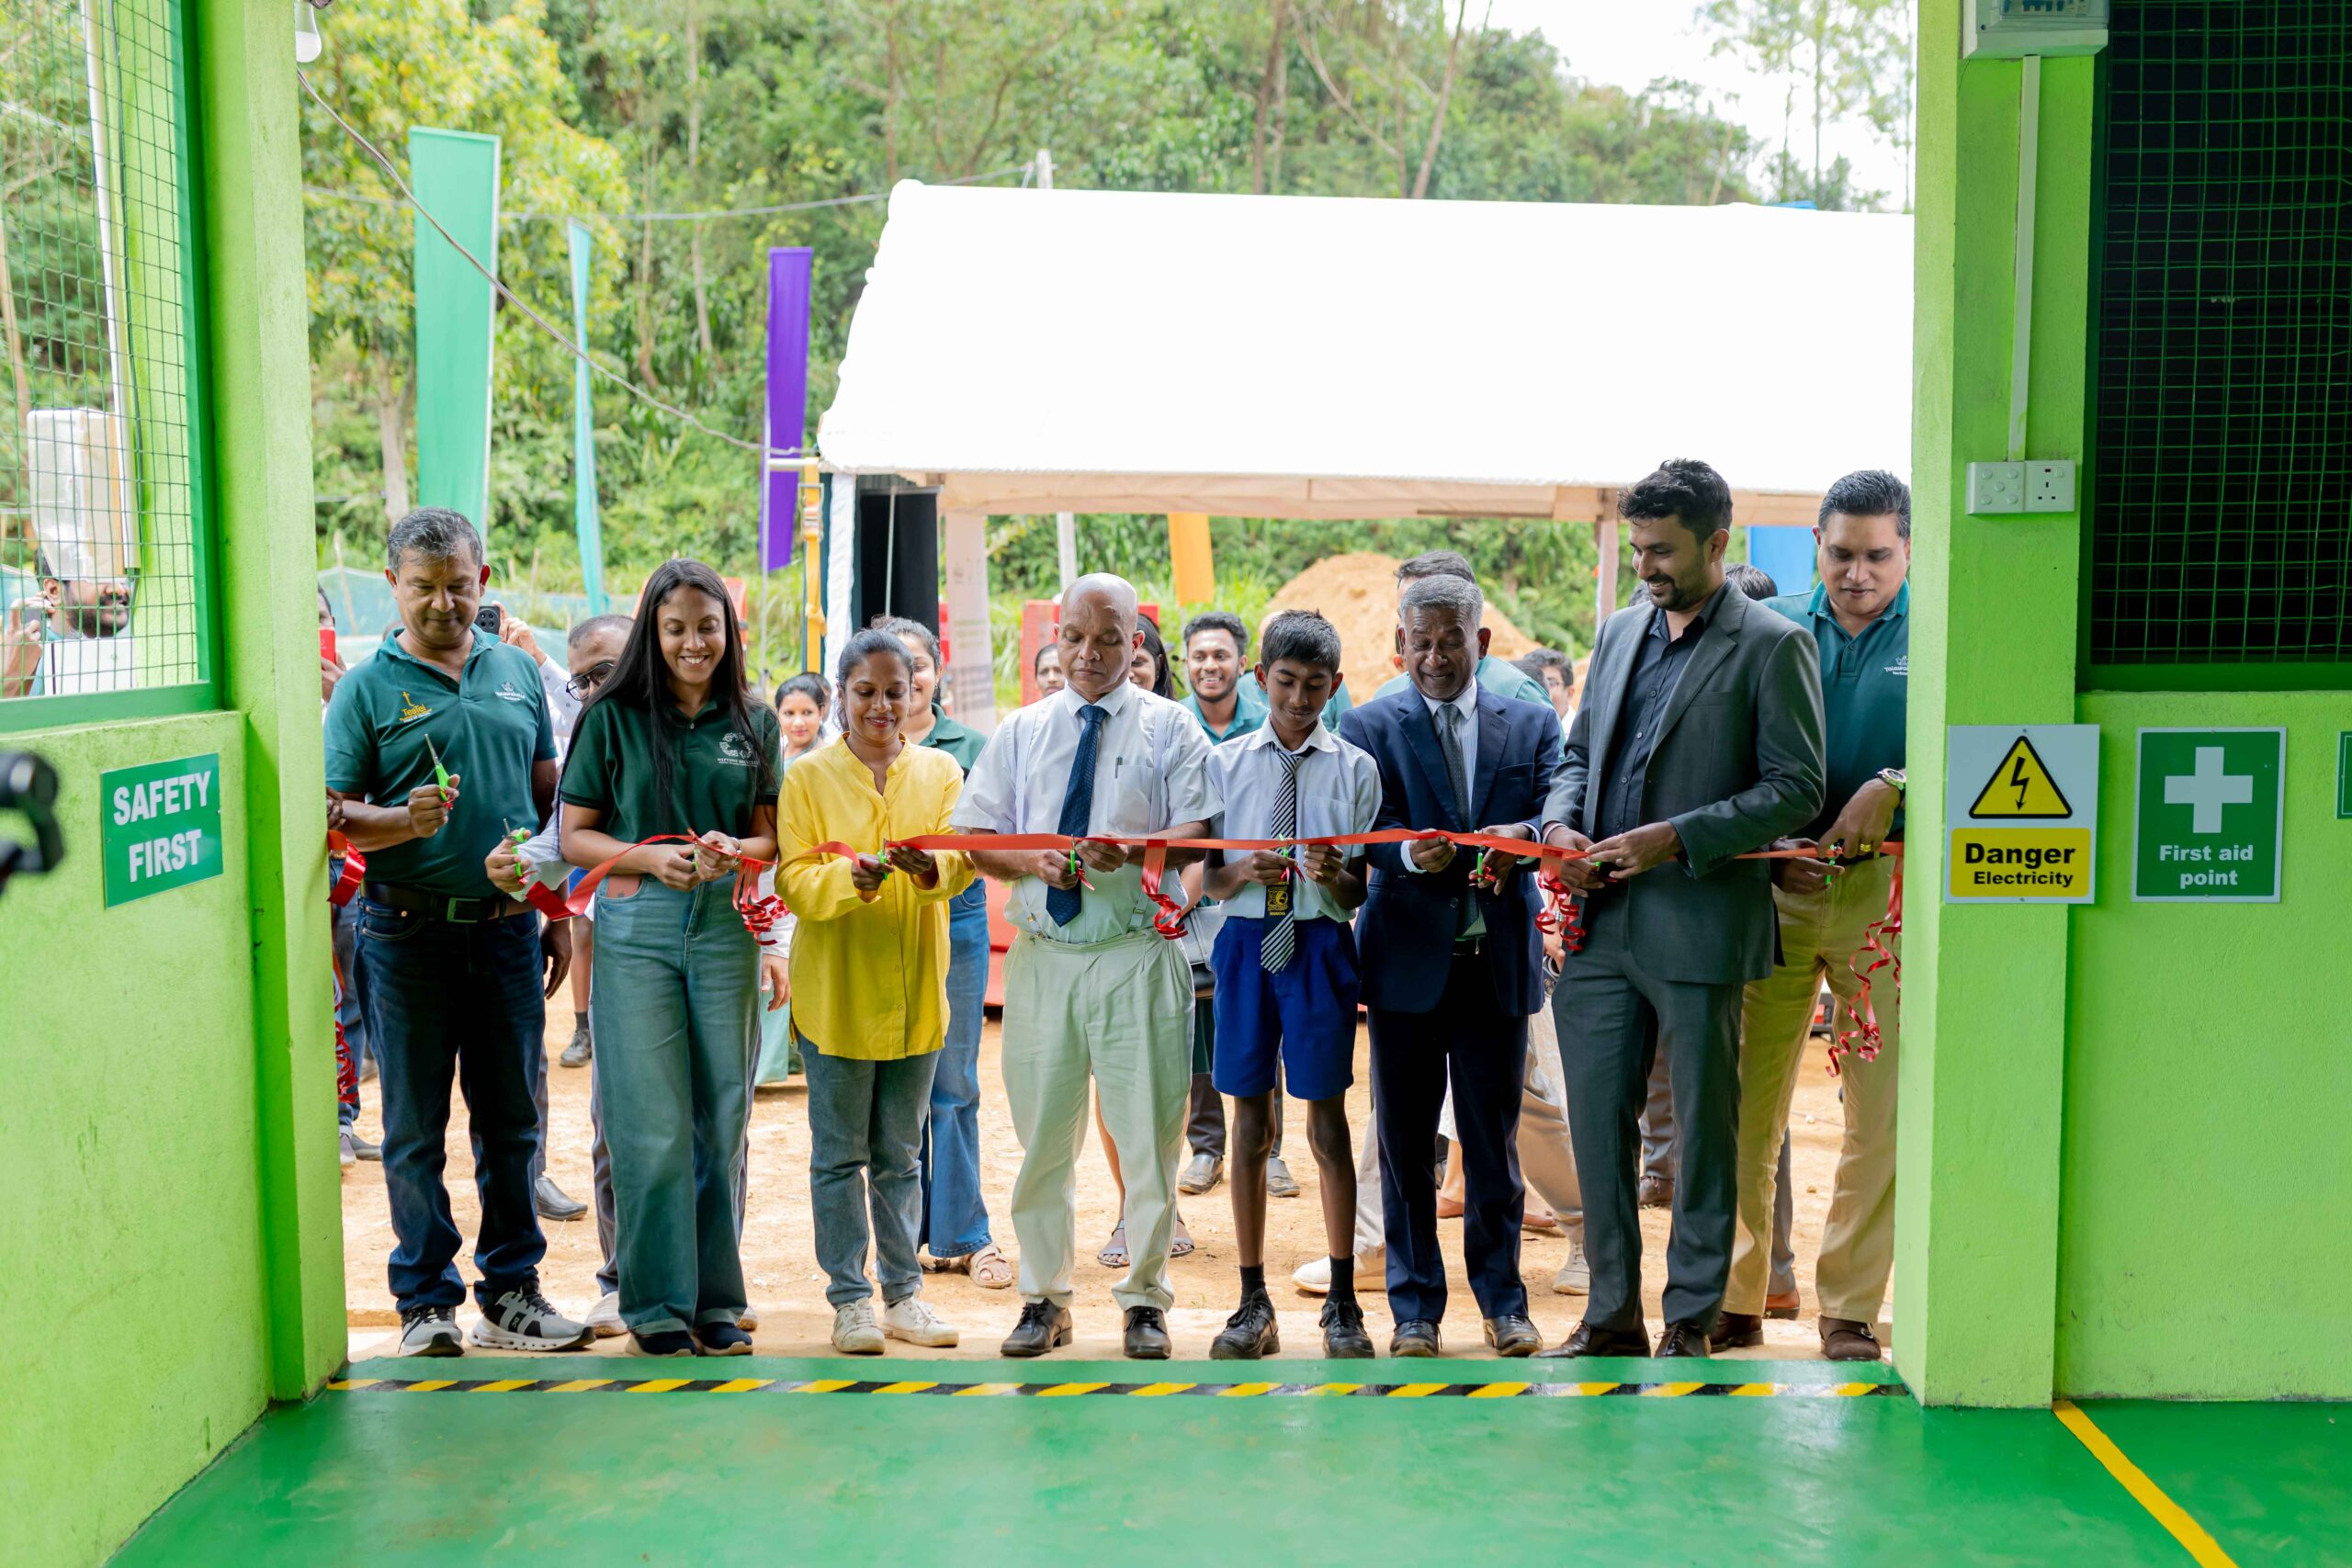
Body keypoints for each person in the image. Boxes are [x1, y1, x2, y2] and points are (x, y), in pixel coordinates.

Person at [1537, 459, 1825, 1360]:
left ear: (1715, 542)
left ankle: (1691, 1319)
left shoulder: (1774, 645)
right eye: (1638, 549)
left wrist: (1676, 837)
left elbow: (1796, 787)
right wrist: (1559, 825)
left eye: (1662, 550)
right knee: (1597, 1129)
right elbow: (1577, 756)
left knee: (1705, 1136)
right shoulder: (1619, 631)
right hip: (1599, 929)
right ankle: (1610, 1315)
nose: (1646, 567)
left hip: (1702, 924)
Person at [322, 507, 586, 1358]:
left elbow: (548, 798)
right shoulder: (365, 688)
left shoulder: (516, 671)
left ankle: (511, 1293)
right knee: (413, 1127)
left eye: (459, 585)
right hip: (405, 935)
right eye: (424, 586)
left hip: (508, 933)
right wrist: (404, 819)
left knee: (512, 1122)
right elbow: (333, 814)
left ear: (483, 580)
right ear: (392, 585)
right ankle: (424, 1300)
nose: (443, 602)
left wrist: (551, 907)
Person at [955, 573, 1218, 1360]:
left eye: (1107, 637)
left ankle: (1144, 1300)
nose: (1088, 653)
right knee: (1043, 1139)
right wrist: (1032, 859)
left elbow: (1201, 831)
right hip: (1045, 958)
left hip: (1138, 953)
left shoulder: (1171, 727)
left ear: (1135, 642)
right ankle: (1044, 1298)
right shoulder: (1022, 731)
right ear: (1057, 638)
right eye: (1074, 636)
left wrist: (1135, 852)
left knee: (1149, 1139)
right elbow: (975, 837)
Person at [559, 558, 782, 1358]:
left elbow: (772, 837)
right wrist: (647, 858)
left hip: (724, 926)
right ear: (651, 632)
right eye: (676, 627)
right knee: (648, 1122)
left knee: (722, 1118)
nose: (693, 642)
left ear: (729, 631)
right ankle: (654, 1304)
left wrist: (734, 848)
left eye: (707, 626)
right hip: (636, 927)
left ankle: (716, 1301)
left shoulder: (754, 719)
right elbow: (574, 836)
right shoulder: (612, 716)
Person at [1339, 573, 1559, 1359]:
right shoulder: (1368, 725)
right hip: (1405, 965)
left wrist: (1525, 838)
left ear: (1482, 641)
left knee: (1493, 1144)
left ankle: (1504, 1303)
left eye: (1451, 640)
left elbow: (1558, 808)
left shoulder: (1532, 723)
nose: (1435, 656)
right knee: (1405, 1145)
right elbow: (1362, 825)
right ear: (1400, 644)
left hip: (1494, 965)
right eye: (1421, 642)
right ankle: (1415, 1312)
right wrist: (1404, 851)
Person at [1717, 469, 1910, 1363]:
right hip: (1775, 891)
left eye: (1877, 556)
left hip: (1887, 899)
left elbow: (1984, 749)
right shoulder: (1770, 627)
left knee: (1880, 1115)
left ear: (1908, 551)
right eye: (1840, 554)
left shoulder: (1947, 638)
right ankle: (1735, 1299)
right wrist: (1769, 837)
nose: (1857, 573)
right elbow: (1726, 752)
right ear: (1815, 546)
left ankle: (1851, 1309)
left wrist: (1895, 784)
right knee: (1745, 1106)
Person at [778, 626, 976, 1353]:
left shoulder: (941, 772)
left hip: (918, 995)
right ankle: (850, 1298)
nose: (882, 705)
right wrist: (848, 878)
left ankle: (903, 1292)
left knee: (900, 1154)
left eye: (896, 690)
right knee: (838, 1155)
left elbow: (962, 857)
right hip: (835, 998)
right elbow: (794, 877)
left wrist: (932, 871)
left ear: (916, 691)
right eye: (866, 691)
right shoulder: (807, 777)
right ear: (841, 695)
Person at [1204, 611, 1381, 1359]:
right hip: (1246, 945)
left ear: (1335, 685)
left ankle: (1342, 1299)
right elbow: (1210, 880)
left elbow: (1356, 892)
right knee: (1249, 1123)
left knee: (1327, 1121)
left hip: (1319, 946)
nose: (1300, 699)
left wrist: (1334, 873)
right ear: (1260, 678)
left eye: (1314, 685)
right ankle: (1253, 1299)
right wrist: (1243, 870)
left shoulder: (1356, 770)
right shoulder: (1222, 765)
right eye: (1285, 682)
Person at [868, 616, 1013, 1292]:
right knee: (892, 1084)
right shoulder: (853, 752)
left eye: (917, 666)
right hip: (876, 921)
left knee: (953, 1082)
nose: (905, 682)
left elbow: (991, 842)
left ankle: (964, 1234)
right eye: (890, 672)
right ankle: (900, 1238)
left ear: (936, 672)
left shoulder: (972, 748)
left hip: (955, 919)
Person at [1173, 610, 1294, 1206]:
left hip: (1258, 897)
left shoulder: (1268, 720)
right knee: (1200, 1022)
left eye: (1220, 655)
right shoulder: (1176, 726)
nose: (1209, 665)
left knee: (1262, 1019)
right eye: (1199, 655)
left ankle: (1270, 1147)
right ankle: (1207, 1146)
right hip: (1194, 895)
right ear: (1185, 663)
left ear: (1243, 664)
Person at [1091, 620, 1200, 1268]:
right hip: (1097, 935)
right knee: (1110, 1080)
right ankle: (1130, 1205)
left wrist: (1174, 905)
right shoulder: (1074, 733)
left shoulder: (1180, 733)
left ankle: (1165, 1200)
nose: (1127, 668)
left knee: (1167, 1081)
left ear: (1157, 665)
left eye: (1139, 658)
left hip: (1173, 932)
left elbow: (1201, 838)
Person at [750, 671, 835, 1089]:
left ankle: (793, 1054)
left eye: (807, 712)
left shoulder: (828, 760)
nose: (798, 721)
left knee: (795, 958)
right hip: (772, 868)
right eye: (789, 713)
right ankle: (772, 1060)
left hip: (810, 867)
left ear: (823, 712)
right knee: (773, 953)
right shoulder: (773, 756)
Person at [556, 615, 632, 1072]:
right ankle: (584, 1026)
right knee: (583, 932)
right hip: (597, 867)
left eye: (602, 673)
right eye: (581, 682)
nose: (590, 690)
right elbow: (564, 833)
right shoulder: (589, 725)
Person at [1370, 552, 1552, 712]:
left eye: (1430, 609)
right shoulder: (1385, 700)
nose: (1414, 626)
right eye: (1404, 615)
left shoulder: (1518, 696)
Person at [0, 554, 136, 697]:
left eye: (122, 577)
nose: (119, 589)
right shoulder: (31, 656)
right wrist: (9, 680)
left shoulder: (133, 646)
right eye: (97, 576)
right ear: (54, 590)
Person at [1517, 647, 1577, 735]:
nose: (1540, 690)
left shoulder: (1582, 737)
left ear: (1569, 694)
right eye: (1533, 682)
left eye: (1550, 683)